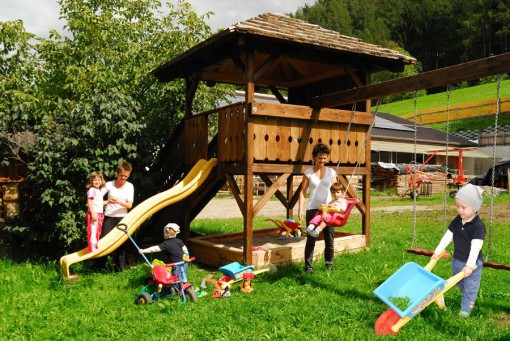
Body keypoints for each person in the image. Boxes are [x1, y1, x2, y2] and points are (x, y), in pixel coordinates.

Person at [431, 183, 485, 318]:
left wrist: (469, 266)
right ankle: (467, 295)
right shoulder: (458, 220)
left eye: (464, 207)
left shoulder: (478, 227)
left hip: (472, 264)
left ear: (475, 208)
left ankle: (466, 309)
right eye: (458, 206)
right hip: (457, 261)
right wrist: (438, 251)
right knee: (461, 285)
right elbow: (448, 236)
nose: (460, 210)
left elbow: (475, 248)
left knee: (470, 288)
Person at [298, 143, 337, 273]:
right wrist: (300, 209)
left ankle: (329, 265)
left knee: (329, 239)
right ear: (314, 157)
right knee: (311, 239)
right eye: (320, 158)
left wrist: (341, 202)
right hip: (313, 210)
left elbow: (336, 190)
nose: (322, 161)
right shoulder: (308, 173)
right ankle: (308, 267)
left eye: (325, 158)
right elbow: (302, 191)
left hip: (328, 210)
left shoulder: (331, 172)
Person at [99, 161, 134, 272]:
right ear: (117, 173)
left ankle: (119, 269)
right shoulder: (109, 184)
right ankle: (100, 267)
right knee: (104, 241)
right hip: (109, 216)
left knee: (121, 243)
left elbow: (129, 205)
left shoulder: (129, 186)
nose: (123, 178)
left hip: (123, 217)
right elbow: (97, 199)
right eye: (121, 175)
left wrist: (118, 201)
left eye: (126, 176)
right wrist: (108, 202)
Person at [85, 171, 107, 252]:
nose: (97, 182)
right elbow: (89, 202)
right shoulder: (92, 190)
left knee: (97, 230)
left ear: (101, 181)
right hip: (94, 213)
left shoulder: (98, 191)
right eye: (95, 180)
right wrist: (93, 213)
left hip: (99, 213)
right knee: (93, 230)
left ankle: (95, 246)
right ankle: (92, 248)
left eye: (99, 180)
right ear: (91, 181)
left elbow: (99, 203)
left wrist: (108, 202)